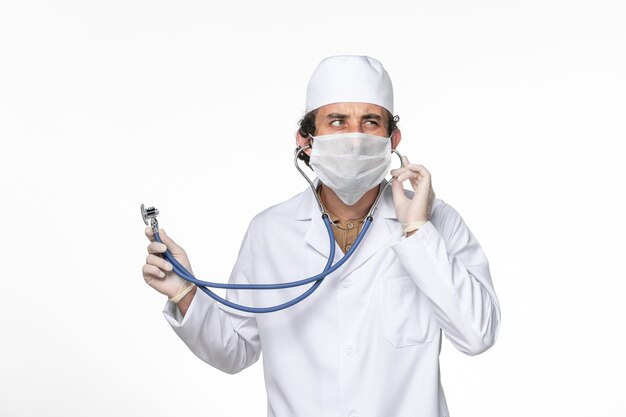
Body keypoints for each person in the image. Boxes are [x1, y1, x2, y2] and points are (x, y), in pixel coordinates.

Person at [142, 55, 500, 417]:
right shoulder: (270, 231)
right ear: (306, 140)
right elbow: (234, 351)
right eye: (338, 121)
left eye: (370, 122)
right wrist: (185, 292)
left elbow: (477, 334)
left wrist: (417, 232)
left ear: (393, 139)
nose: (355, 137)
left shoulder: (437, 222)